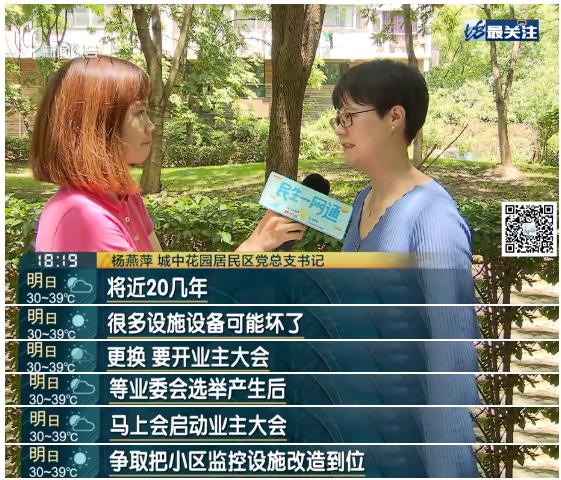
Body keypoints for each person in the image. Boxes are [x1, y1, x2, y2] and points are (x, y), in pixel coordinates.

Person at [331, 59, 480, 477]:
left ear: (394, 117)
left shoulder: (433, 217)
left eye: (349, 116)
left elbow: (451, 363)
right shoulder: (362, 201)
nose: (340, 129)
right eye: (338, 118)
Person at [32, 56, 305, 252]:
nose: (151, 126)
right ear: (99, 127)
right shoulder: (81, 218)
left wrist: (258, 243)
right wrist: (254, 248)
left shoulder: (125, 196)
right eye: (140, 112)